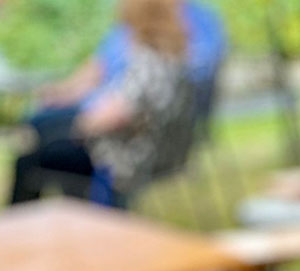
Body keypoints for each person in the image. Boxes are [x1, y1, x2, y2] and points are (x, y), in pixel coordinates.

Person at [10, 0, 194, 205]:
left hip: (119, 159)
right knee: (39, 132)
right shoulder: (172, 57)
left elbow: (105, 119)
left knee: (30, 155)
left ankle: (19, 228)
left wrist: (80, 121)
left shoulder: (149, 63)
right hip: (135, 148)